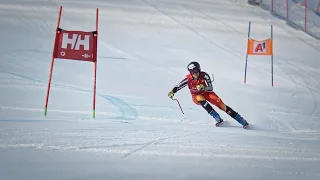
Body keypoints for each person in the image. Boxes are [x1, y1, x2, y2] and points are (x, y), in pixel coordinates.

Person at [168, 61, 249, 129]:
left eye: (196, 71)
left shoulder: (205, 75)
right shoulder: (188, 79)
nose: (195, 74)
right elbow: (178, 86)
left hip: (207, 93)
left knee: (222, 105)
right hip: (196, 96)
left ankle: (241, 120)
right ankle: (217, 117)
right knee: (200, 98)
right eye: (192, 72)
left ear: (199, 70)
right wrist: (172, 92)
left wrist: (204, 87)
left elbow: (211, 88)